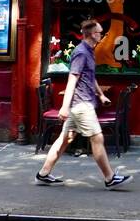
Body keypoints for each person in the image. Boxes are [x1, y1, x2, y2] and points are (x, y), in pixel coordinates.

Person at [36, 18, 132, 189]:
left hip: (80, 105)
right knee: (98, 138)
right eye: (100, 32)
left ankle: (43, 174)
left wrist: (101, 95)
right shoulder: (81, 53)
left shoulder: (89, 51)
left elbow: (90, 76)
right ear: (92, 34)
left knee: (64, 140)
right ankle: (110, 178)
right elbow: (72, 79)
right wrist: (65, 106)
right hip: (82, 105)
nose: (102, 35)